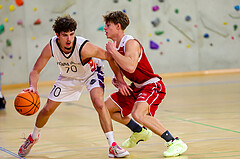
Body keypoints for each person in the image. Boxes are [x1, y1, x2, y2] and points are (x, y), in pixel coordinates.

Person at [18, 15, 129, 158]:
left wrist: (120, 80)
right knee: (46, 109)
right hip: (68, 77)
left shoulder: (84, 47)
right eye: (65, 35)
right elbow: (35, 70)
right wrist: (33, 86)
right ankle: (33, 137)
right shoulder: (51, 46)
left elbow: (109, 56)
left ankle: (112, 145)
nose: (69, 39)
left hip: (91, 73)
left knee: (99, 103)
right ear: (57, 35)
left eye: (71, 34)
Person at [103, 11, 188, 157]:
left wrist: (112, 52)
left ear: (118, 26)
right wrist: (120, 82)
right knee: (105, 109)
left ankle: (174, 142)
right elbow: (117, 68)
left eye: (108, 25)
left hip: (152, 85)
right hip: (136, 86)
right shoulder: (115, 47)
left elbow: (130, 67)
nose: (104, 28)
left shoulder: (131, 43)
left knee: (138, 114)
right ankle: (139, 131)